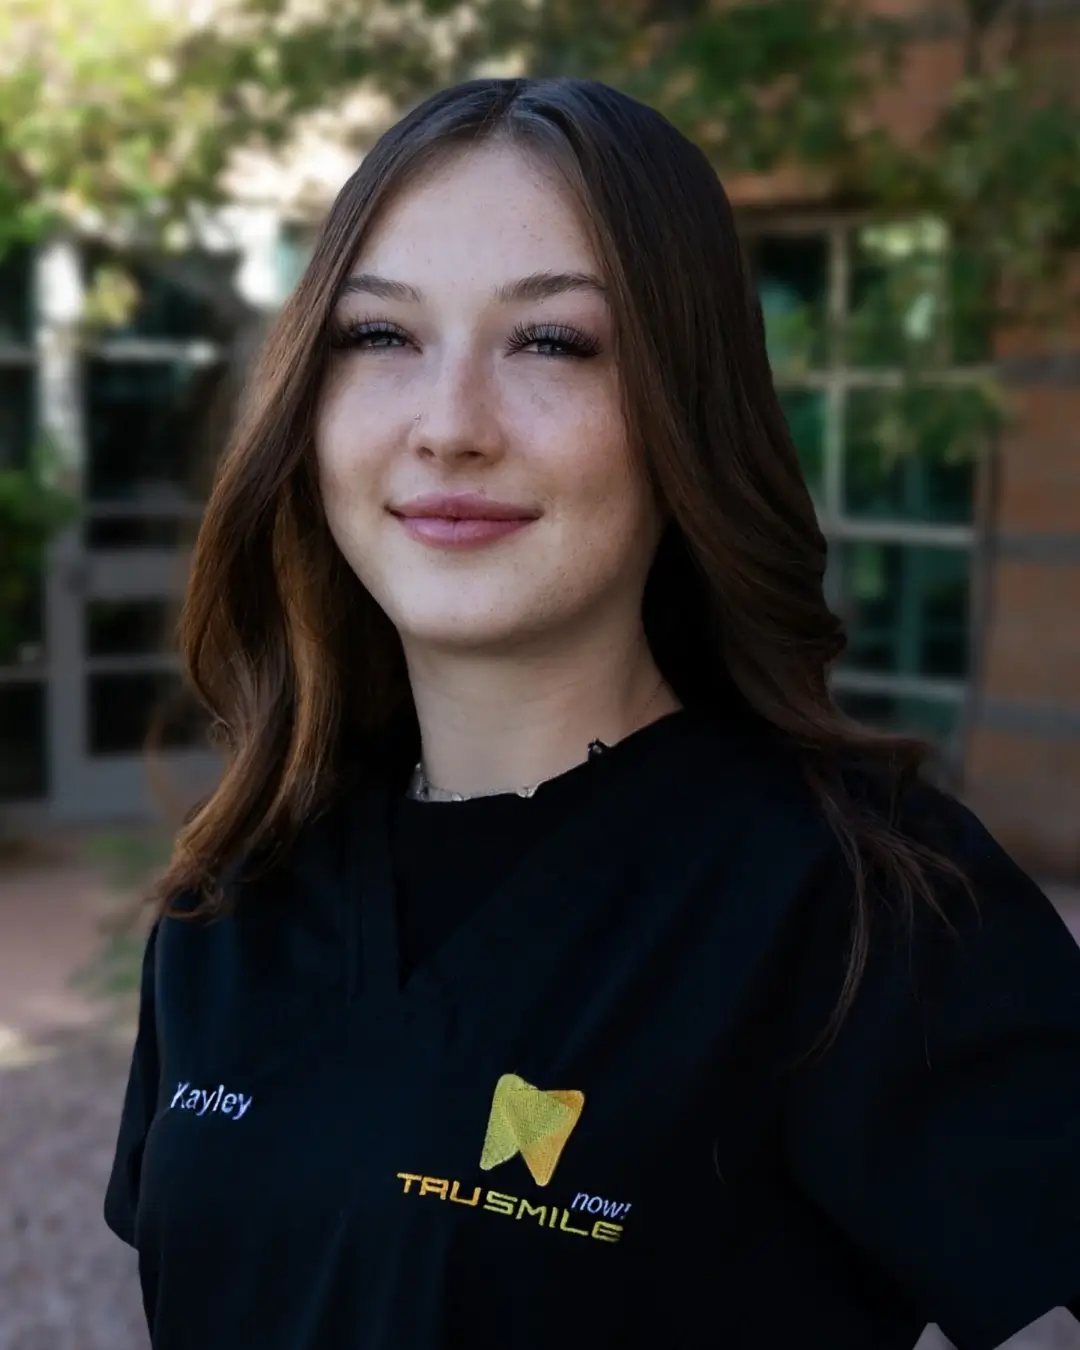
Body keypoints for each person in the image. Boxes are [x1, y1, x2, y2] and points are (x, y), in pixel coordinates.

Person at [104, 77, 1080, 1350]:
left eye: (552, 342)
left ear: (686, 409)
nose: (449, 426)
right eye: (380, 336)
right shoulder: (236, 895)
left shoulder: (859, 904)